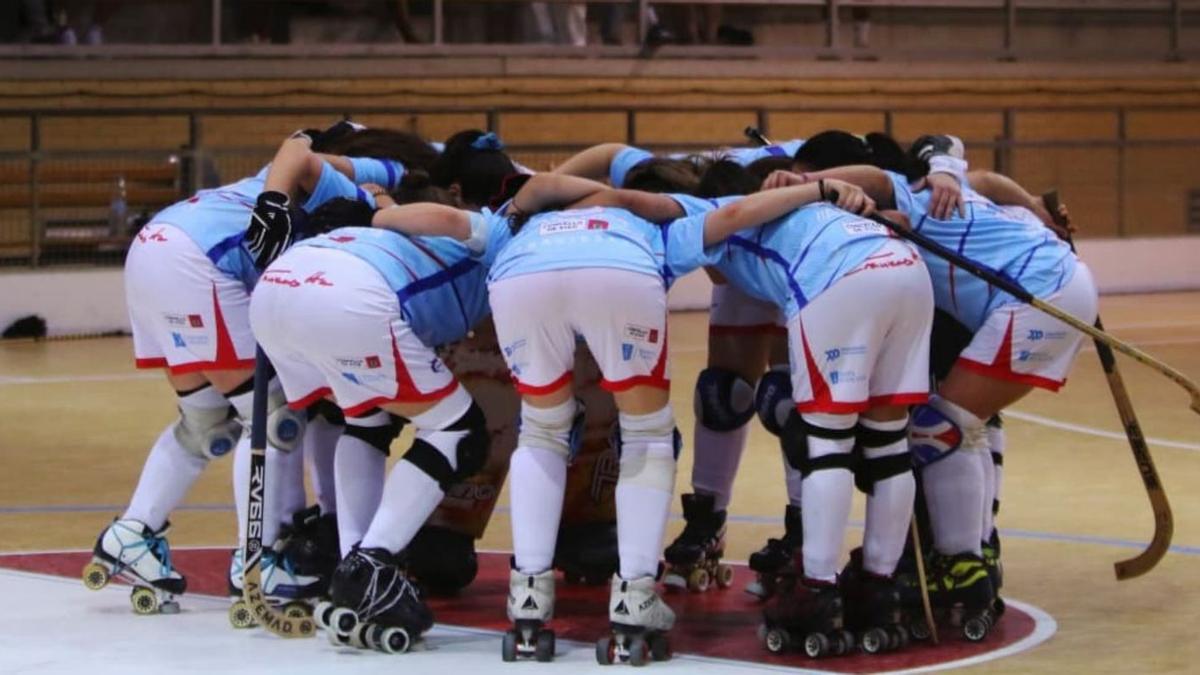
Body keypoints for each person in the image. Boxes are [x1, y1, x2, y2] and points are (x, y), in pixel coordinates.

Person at [80, 122, 423, 619]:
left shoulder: (274, 179)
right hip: (197, 260)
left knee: (206, 425)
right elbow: (320, 153)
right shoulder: (372, 170)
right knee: (276, 418)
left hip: (155, 245)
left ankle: (131, 535)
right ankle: (262, 558)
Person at [771, 156, 1097, 642]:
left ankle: (960, 565)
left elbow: (879, 179)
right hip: (1054, 285)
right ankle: (975, 552)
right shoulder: (964, 190)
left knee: (943, 426)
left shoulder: (920, 196)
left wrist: (808, 185)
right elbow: (984, 177)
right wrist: (1032, 204)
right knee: (961, 424)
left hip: (1040, 294)